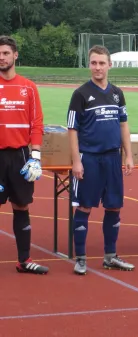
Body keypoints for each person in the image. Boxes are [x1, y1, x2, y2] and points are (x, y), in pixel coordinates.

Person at [67, 45, 135, 275]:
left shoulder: (117, 93)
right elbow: (72, 129)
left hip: (113, 158)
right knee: (85, 206)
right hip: (89, 159)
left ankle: (110, 256)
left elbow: (123, 125)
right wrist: (76, 161)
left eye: (101, 63)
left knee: (114, 206)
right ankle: (81, 258)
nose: (97, 67)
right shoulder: (80, 94)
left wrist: (128, 155)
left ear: (109, 65)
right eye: (94, 63)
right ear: (89, 65)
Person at [0, 36, 48, 274]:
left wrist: (36, 156)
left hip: (20, 156)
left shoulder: (28, 87)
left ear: (15, 55)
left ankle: (24, 260)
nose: (1, 57)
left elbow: (37, 123)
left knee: (21, 206)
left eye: (6, 53)